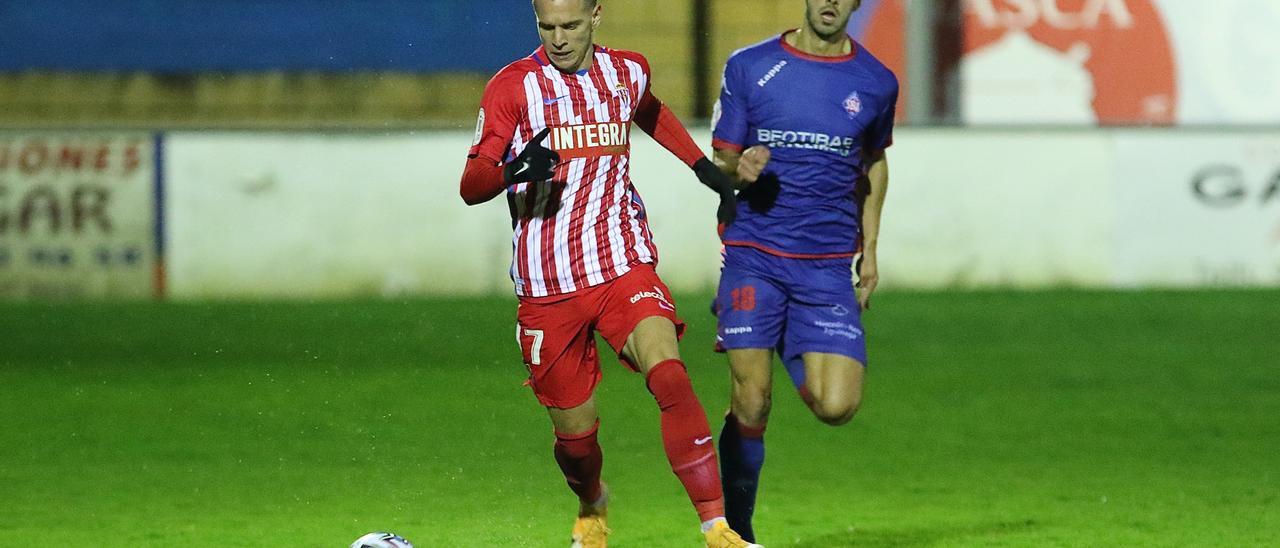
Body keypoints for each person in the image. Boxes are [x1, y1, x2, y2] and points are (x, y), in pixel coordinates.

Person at [457, 1, 756, 546]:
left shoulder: (628, 70)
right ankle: (592, 501)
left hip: (622, 261)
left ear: (596, 15)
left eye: (570, 26)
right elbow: (472, 183)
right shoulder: (513, 88)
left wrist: (703, 169)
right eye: (546, 28)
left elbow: (649, 110)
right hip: (547, 285)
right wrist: (516, 167)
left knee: (668, 372)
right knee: (576, 440)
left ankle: (717, 527)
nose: (559, 39)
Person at [708, 0, 898, 542]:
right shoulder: (752, 66)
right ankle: (735, 531)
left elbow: (876, 160)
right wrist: (737, 168)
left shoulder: (876, 81)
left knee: (837, 406)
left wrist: (873, 248)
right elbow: (720, 158)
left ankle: (788, 329)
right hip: (755, 255)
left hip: (826, 267)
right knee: (753, 398)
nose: (831, 3)